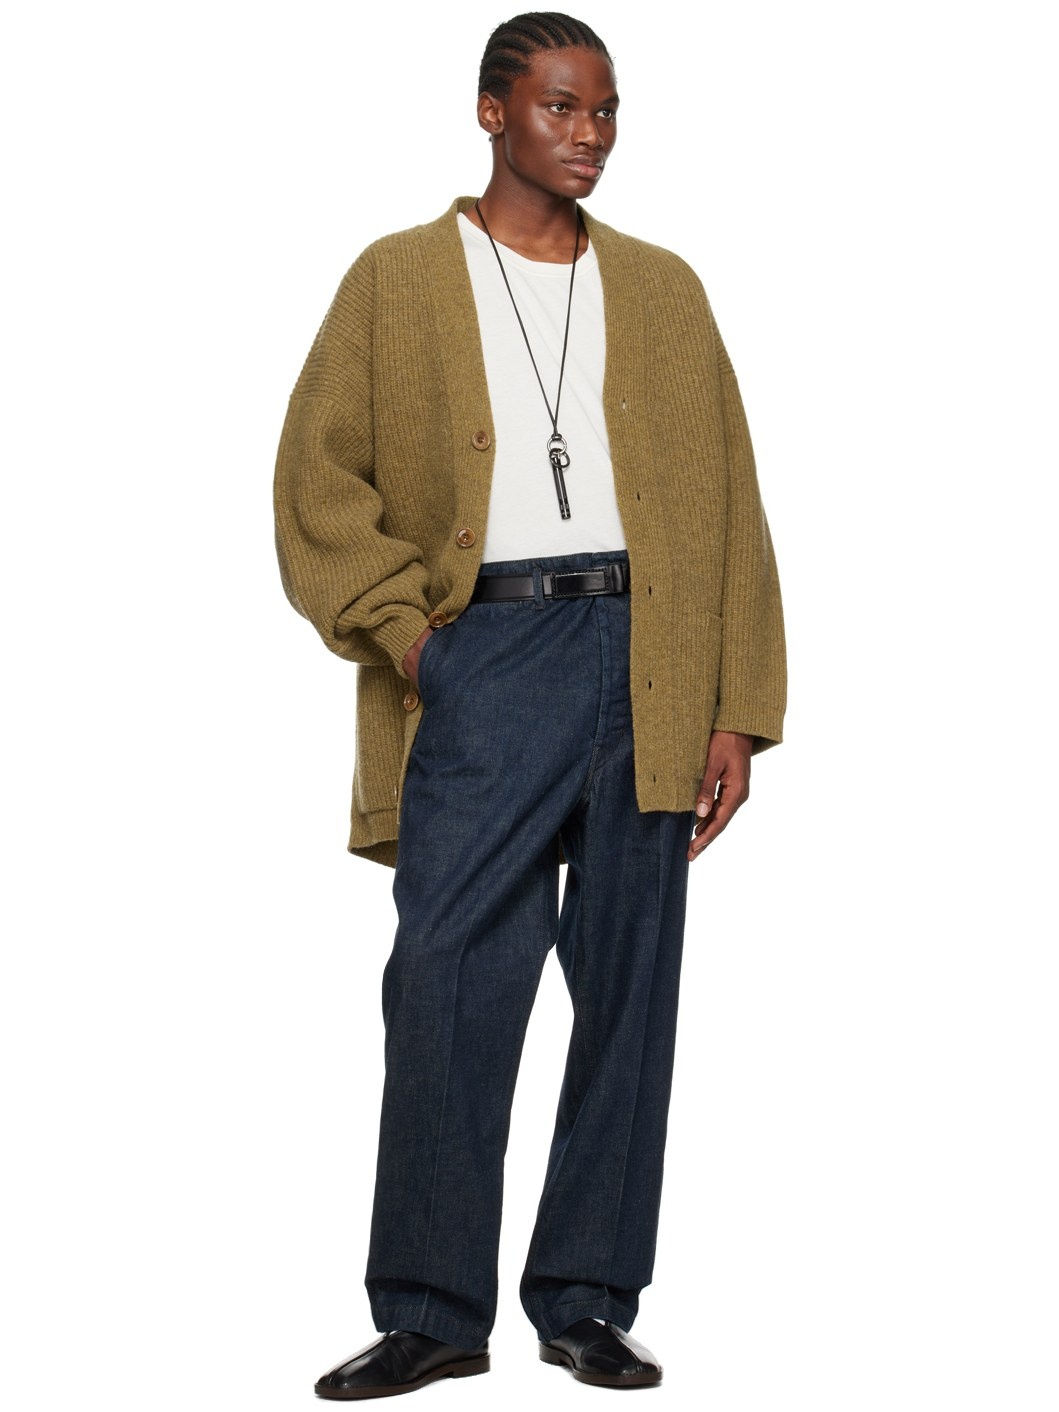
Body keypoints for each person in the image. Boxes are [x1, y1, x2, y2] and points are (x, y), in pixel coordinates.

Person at [273, 11, 786, 1398]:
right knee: (448, 979)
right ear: (492, 112)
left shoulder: (665, 290)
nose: (590, 135)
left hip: (650, 656)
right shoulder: (397, 279)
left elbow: (732, 501)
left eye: (606, 110)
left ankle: (587, 1298)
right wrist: (415, 644)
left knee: (630, 988)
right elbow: (317, 480)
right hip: (485, 654)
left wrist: (737, 705)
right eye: (561, 106)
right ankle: (432, 1308)